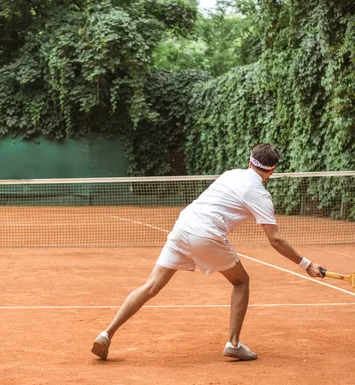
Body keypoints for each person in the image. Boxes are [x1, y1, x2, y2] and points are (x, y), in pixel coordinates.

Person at [91, 143, 323, 361]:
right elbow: (276, 240)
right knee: (241, 282)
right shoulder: (261, 196)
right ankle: (233, 343)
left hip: (183, 225)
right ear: (271, 172)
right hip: (207, 234)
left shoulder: (231, 174)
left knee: (150, 286)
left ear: (250, 161)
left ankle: (106, 333)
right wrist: (305, 264)